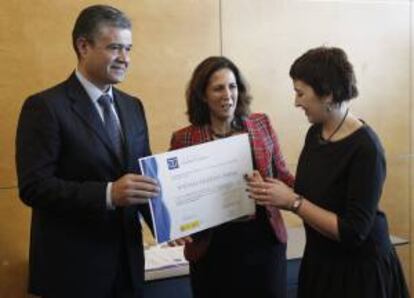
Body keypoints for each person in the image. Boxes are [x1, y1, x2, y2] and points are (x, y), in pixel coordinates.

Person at [15, 5, 159, 298]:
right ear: (83, 46)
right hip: (73, 273)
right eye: (115, 48)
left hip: (128, 269)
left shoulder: (133, 106)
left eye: (128, 48)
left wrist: (169, 226)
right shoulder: (45, 107)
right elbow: (34, 187)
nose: (125, 59)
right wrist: (107, 194)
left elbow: (142, 178)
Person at [247, 46, 409, 298]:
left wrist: (292, 202)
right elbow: (307, 191)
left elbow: (353, 231)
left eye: (301, 93)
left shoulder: (367, 148)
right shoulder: (316, 133)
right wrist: (268, 189)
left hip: (359, 274)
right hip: (320, 264)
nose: (296, 102)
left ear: (328, 95)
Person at [169, 56, 294, 298]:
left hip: (264, 244)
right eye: (218, 88)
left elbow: (283, 175)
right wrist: (174, 226)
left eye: (232, 86)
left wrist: (315, 194)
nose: (228, 94)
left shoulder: (260, 124)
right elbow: (177, 197)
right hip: (212, 250)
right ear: (203, 95)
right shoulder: (184, 138)